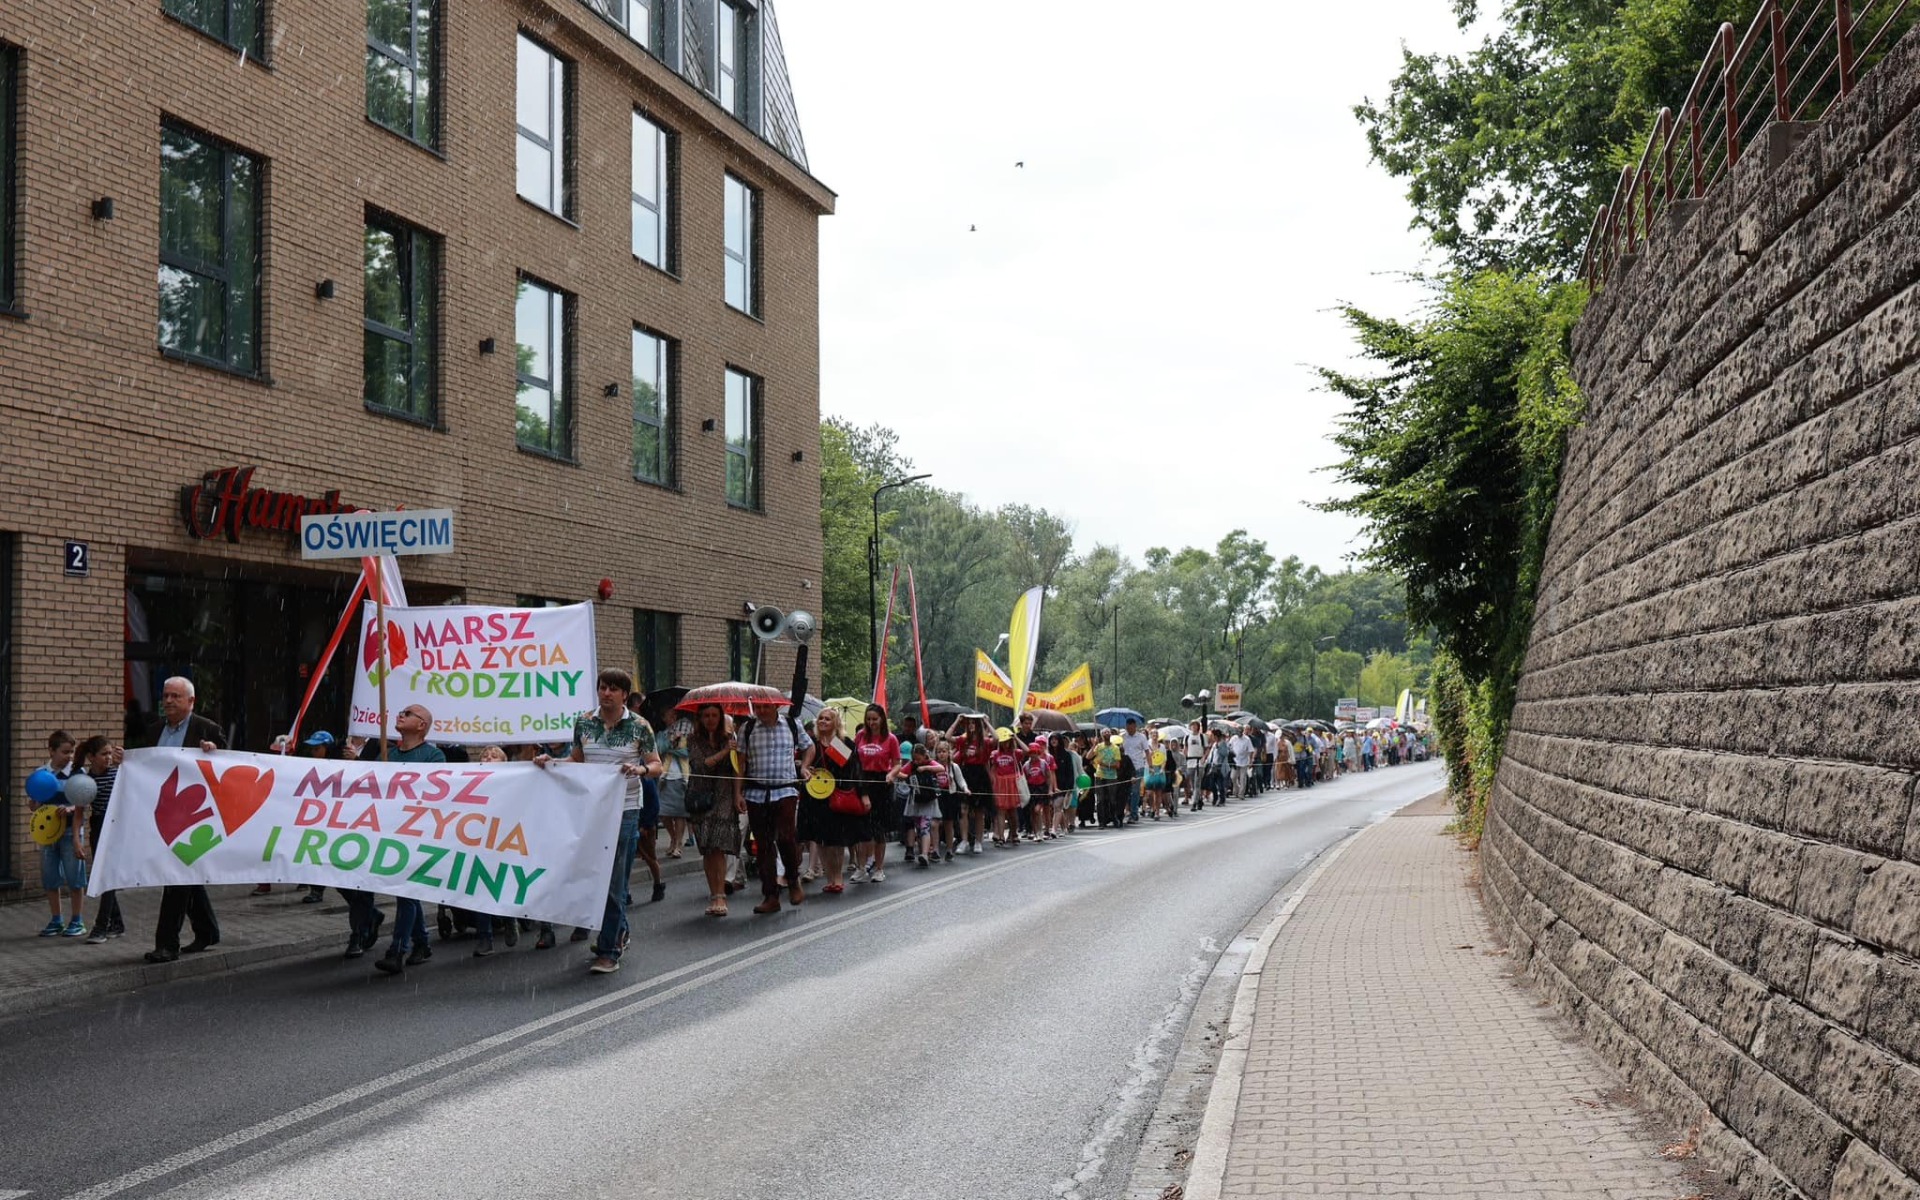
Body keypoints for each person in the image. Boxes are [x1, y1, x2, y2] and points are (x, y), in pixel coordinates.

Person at [537, 670, 662, 974]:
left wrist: (640, 770)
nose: (606, 693)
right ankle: (618, 930)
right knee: (598, 877)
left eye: (613, 689)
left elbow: (657, 765)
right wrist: (551, 763)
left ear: (624, 695)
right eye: (602, 687)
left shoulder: (639, 726)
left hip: (625, 810)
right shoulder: (583, 721)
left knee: (614, 880)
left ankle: (608, 950)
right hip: (591, 811)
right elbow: (577, 760)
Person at [340, 704, 447, 974]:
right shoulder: (386, 755)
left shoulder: (434, 757)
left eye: (408, 713)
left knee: (406, 890)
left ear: (422, 725)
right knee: (406, 890)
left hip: (416, 832)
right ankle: (421, 943)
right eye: (400, 712)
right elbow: (371, 789)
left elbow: (439, 792)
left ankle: (398, 950)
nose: (400, 715)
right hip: (389, 830)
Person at [144, 678, 226, 964]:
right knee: (186, 875)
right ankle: (208, 931)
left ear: (191, 701)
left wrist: (214, 753)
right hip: (164, 813)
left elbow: (228, 768)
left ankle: (167, 944)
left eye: (176, 696)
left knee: (176, 876)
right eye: (165, 695)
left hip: (195, 815)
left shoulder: (207, 728)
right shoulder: (154, 730)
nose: (168, 701)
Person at [735, 697, 813, 913]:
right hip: (756, 793)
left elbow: (810, 747)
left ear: (776, 706)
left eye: (765, 706)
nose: (760, 710)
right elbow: (740, 763)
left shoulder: (791, 724)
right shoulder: (747, 728)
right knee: (764, 845)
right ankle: (771, 895)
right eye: (757, 707)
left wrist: (805, 767)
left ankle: (793, 879)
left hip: (785, 789)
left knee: (787, 837)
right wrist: (738, 793)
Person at [686, 704, 743, 916]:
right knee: (707, 847)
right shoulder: (693, 740)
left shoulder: (729, 739)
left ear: (721, 718)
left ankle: (720, 895)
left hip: (724, 796)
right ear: (700, 718)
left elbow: (738, 769)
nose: (710, 719)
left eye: (714, 715)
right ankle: (713, 893)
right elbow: (701, 765)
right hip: (701, 797)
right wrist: (725, 752)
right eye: (706, 716)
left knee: (718, 845)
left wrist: (738, 794)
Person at [32, 731, 88, 938]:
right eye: (65, 752)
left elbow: (83, 802)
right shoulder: (41, 774)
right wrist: (34, 802)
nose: (70, 756)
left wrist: (70, 808)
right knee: (50, 878)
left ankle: (77, 920)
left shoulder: (77, 773)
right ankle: (56, 920)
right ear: (51, 751)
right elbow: (34, 805)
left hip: (70, 834)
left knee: (75, 878)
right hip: (47, 835)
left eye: (72, 752)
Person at [806, 708, 865, 893]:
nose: (823, 721)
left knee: (836, 840)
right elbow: (804, 766)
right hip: (815, 796)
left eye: (828, 719)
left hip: (837, 796)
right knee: (821, 839)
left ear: (836, 723)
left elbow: (853, 770)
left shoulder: (843, 743)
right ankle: (829, 877)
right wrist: (805, 770)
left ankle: (838, 877)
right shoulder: (811, 743)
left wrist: (863, 794)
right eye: (821, 718)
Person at [75, 736, 125, 943]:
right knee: (104, 874)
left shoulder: (119, 773)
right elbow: (79, 813)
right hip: (98, 826)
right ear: (91, 757)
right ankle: (117, 923)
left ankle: (101, 927)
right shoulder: (85, 781)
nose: (108, 757)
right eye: (103, 754)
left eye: (110, 753)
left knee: (107, 876)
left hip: (117, 826)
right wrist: (77, 841)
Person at [853, 705, 901, 883]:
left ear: (882, 719)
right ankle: (861, 867)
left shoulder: (891, 739)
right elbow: (854, 761)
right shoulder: (860, 737)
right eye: (869, 719)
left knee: (879, 830)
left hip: (882, 784)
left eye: (875, 719)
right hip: (862, 781)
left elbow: (897, 763)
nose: (871, 723)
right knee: (862, 829)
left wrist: (891, 774)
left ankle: (879, 868)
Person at [948, 714, 995, 854]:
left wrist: (987, 721)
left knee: (980, 811)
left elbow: (996, 739)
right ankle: (964, 840)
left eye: (974, 723)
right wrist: (957, 720)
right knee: (964, 810)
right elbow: (948, 736)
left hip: (980, 775)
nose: (971, 726)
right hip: (966, 773)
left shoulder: (985, 742)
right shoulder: (963, 740)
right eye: (969, 723)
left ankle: (979, 841)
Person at [894, 741, 945, 867]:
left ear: (924, 756)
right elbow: (899, 773)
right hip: (916, 800)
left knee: (925, 826)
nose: (916, 762)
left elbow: (941, 768)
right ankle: (923, 851)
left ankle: (925, 853)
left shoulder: (929, 763)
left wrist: (926, 768)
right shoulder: (911, 765)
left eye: (918, 759)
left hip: (928, 800)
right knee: (918, 826)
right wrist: (908, 777)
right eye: (914, 759)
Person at [987, 728, 1025, 846]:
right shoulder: (995, 754)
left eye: (1007, 741)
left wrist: (1016, 738)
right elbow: (993, 769)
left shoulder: (1016, 753)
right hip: (1000, 783)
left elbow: (1027, 750)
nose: (1005, 743)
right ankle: (1001, 837)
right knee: (1001, 811)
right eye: (1003, 741)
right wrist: (993, 784)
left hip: (1012, 783)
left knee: (1013, 811)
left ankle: (1014, 834)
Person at [1022, 735, 1055, 840]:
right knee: (1032, 811)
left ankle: (1042, 831)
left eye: (1035, 753)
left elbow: (1049, 777)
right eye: (1031, 753)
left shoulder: (1043, 763)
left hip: (1041, 788)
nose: (1033, 755)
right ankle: (1036, 832)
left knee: (1038, 810)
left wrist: (1049, 789)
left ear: (1038, 753)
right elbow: (1024, 780)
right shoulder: (1026, 766)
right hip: (1031, 789)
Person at [1121, 718, 1150, 823]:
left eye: (1130, 728)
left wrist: (1150, 766)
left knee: (1134, 791)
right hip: (1126, 769)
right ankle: (1128, 811)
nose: (1129, 730)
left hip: (1138, 767)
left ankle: (1134, 814)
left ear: (1134, 726)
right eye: (1127, 728)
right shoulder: (1123, 737)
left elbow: (1147, 752)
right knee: (1126, 791)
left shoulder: (1141, 737)